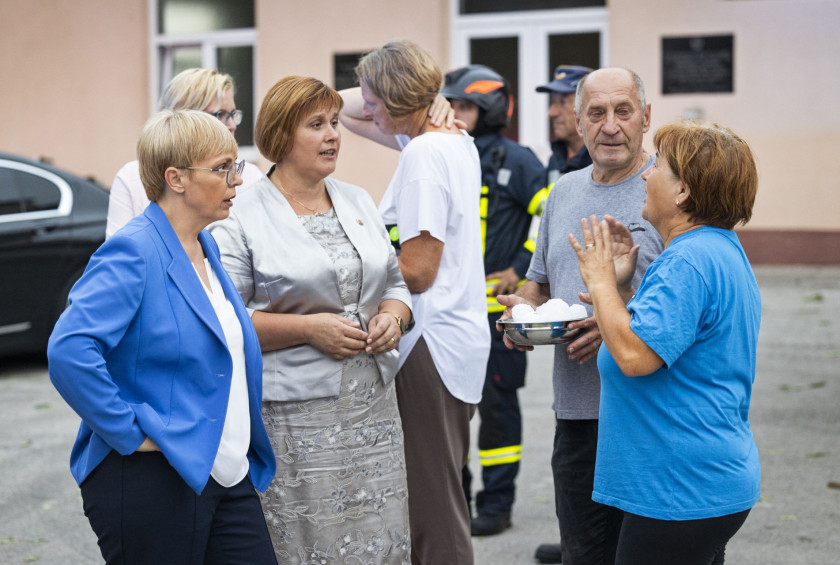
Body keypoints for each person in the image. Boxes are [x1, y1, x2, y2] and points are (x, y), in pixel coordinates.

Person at [47, 109, 277, 564]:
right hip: (150, 477)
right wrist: (132, 434)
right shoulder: (134, 249)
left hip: (224, 471)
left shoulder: (206, 245)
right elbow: (70, 350)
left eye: (236, 165)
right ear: (176, 178)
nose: (236, 179)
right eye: (222, 168)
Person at [211, 76, 414, 564]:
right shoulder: (240, 213)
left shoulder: (357, 199)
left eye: (335, 122)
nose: (333, 135)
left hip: (373, 409)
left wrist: (394, 317)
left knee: (380, 539)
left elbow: (395, 283)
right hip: (296, 416)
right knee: (310, 544)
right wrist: (307, 329)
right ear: (281, 135)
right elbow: (224, 319)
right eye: (316, 124)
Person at [569, 119, 761, 564]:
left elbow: (635, 356)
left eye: (657, 166)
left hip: (680, 488)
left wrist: (600, 281)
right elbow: (670, 337)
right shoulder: (716, 248)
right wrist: (620, 293)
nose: (645, 175)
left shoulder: (686, 262)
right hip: (702, 482)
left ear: (683, 192)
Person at [498, 67, 664, 565]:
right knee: (583, 554)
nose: (610, 126)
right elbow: (539, 283)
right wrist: (524, 314)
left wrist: (614, 321)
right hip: (577, 412)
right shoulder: (564, 192)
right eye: (596, 113)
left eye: (623, 111)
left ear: (646, 118)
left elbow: (689, 303)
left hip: (649, 416)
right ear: (578, 121)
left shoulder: (667, 190)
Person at [339, 41, 490, 564]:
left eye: (373, 98)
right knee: (435, 496)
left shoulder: (424, 154)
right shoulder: (449, 140)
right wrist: (428, 97)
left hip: (430, 341)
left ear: (397, 97)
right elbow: (341, 107)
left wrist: (344, 277)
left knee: (433, 511)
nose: (366, 108)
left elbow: (420, 271)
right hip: (454, 340)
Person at [440, 63, 546, 537]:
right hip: (451, 314)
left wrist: (521, 268)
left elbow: (551, 216)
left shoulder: (517, 161)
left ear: (490, 109)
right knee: (452, 412)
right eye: (451, 105)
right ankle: (456, 502)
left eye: (465, 105)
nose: (455, 113)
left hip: (497, 317)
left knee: (499, 411)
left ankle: (497, 505)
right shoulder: (442, 153)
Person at [106, 67, 263, 238]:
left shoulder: (249, 177)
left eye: (233, 114)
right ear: (182, 119)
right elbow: (121, 246)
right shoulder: (131, 177)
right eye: (219, 115)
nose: (232, 125)